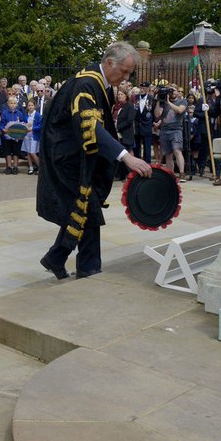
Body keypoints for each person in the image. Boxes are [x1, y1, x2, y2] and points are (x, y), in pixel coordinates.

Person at [37, 42, 152, 280]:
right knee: (89, 210)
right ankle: (89, 269)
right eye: (124, 71)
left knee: (83, 209)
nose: (126, 77)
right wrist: (125, 156)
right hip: (68, 158)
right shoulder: (86, 84)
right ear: (109, 63)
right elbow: (90, 126)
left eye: (129, 73)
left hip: (79, 155)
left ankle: (56, 257)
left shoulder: (101, 84)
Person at [156, 84, 188, 181]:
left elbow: (179, 110)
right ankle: (171, 175)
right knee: (168, 154)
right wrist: (158, 101)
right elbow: (157, 114)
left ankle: (182, 173)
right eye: (170, 91)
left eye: (173, 90)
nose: (172, 92)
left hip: (176, 130)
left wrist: (168, 102)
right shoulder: (163, 102)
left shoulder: (182, 101)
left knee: (177, 150)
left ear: (178, 92)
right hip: (164, 130)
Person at [0, 94, 26, 175]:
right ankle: (9, 167)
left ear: (16, 104)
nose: (12, 105)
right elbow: (2, 124)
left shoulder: (20, 113)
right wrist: (3, 129)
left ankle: (15, 167)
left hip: (17, 136)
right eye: (11, 103)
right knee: (7, 152)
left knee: (16, 152)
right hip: (7, 136)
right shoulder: (4, 113)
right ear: (8, 104)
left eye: (14, 103)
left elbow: (23, 123)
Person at [114, 87, 137, 181]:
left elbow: (129, 121)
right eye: (118, 94)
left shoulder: (129, 106)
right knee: (120, 154)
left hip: (126, 133)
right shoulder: (118, 106)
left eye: (121, 94)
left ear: (126, 96)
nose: (119, 96)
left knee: (129, 153)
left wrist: (117, 127)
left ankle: (133, 173)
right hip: (118, 134)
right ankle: (122, 174)